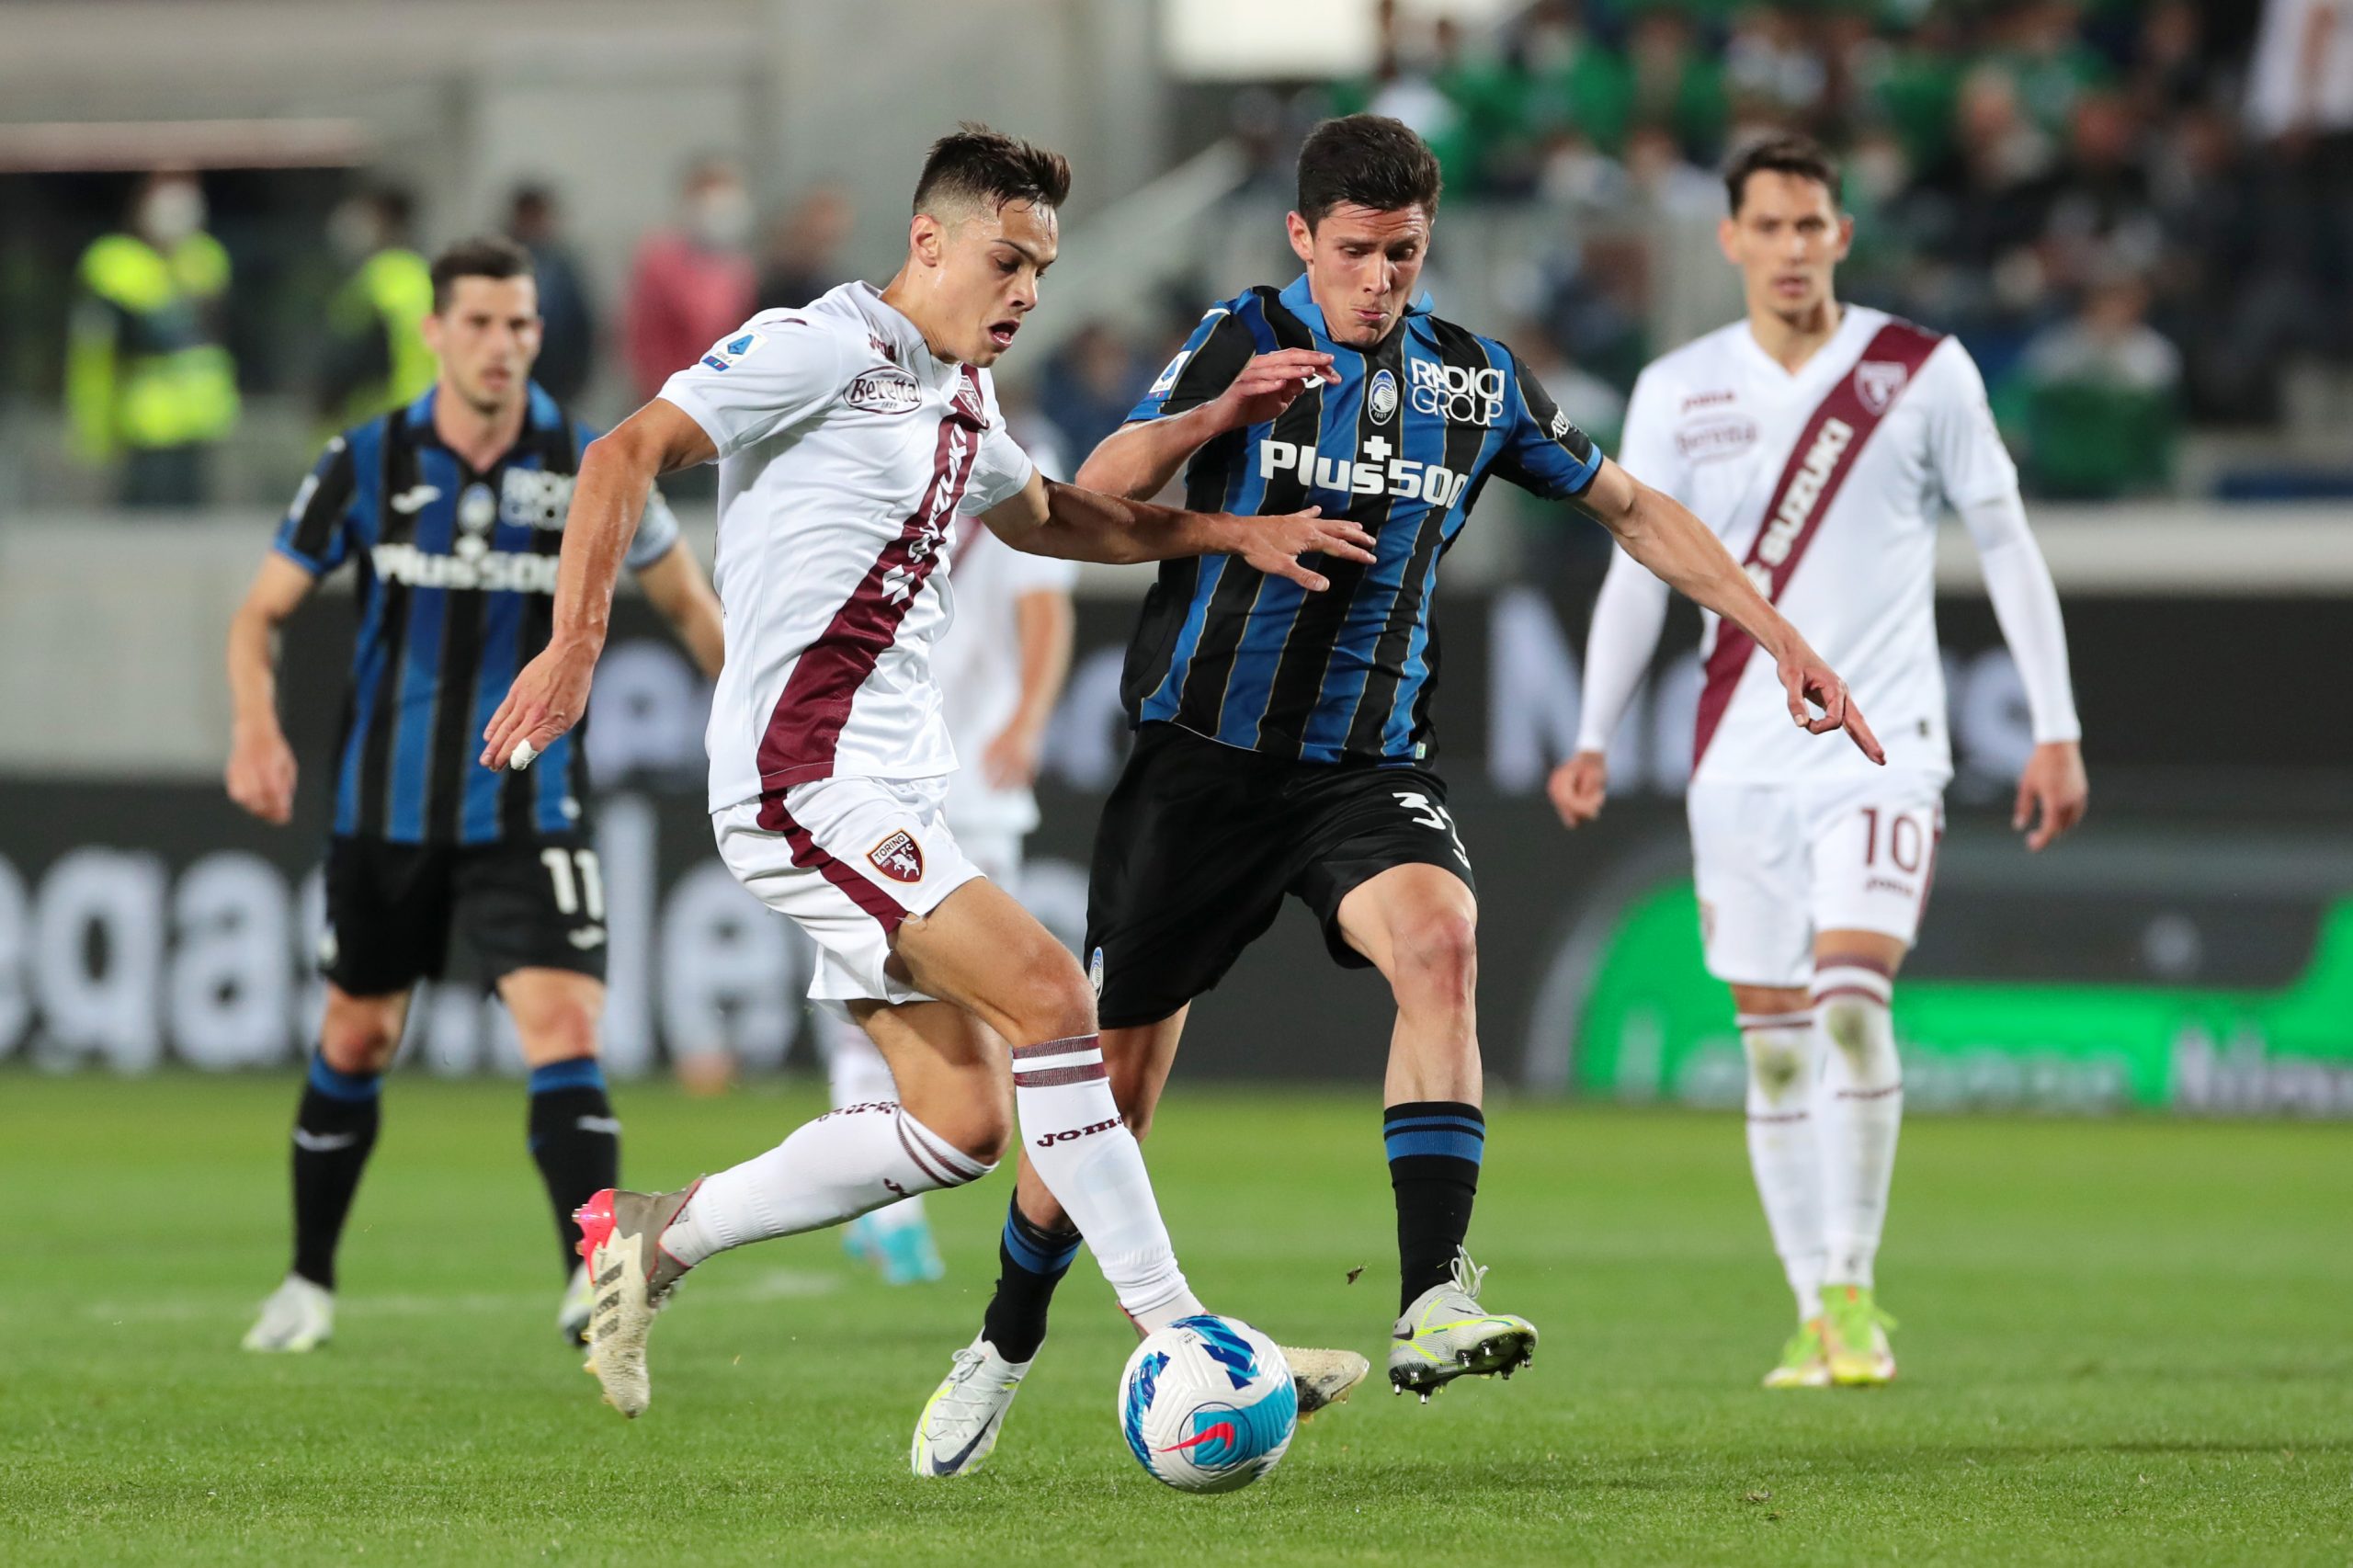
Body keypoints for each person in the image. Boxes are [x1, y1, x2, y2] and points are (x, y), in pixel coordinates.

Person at [931, 112, 1881, 1469]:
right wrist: (1216, 417)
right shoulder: (1239, 335)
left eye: (1406, 254)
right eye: (1358, 252)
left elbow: (1632, 509)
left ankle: (1433, 1294)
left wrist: (1777, 633)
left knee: (1441, 942)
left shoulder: (1474, 382)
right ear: (1301, 238)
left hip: (1366, 766)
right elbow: (1094, 492)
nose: (1380, 280)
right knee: (1114, 1101)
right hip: (1199, 769)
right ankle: (1004, 1341)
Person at [475, 126, 1377, 1455]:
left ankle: (652, 1236)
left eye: (1041, 271)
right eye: (1006, 262)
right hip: (804, 779)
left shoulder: (963, 396)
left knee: (959, 1124)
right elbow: (620, 453)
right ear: (928, 242)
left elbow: (1056, 518)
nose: (1026, 293)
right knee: (1057, 1000)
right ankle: (1186, 1332)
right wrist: (577, 642)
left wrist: (1224, 508)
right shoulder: (815, 345)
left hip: (893, 787)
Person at [1552, 134, 2087, 1390]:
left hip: (1880, 746)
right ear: (1730, 238)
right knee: (1777, 1044)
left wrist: (2056, 724)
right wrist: (1591, 728)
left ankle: (1853, 1282)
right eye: (1770, 226)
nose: (1791, 248)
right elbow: (1637, 567)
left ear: (1842, 234)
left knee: (1851, 1000)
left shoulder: (1921, 371)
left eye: (1811, 225)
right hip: (1737, 758)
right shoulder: (1680, 387)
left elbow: (2006, 541)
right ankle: (1811, 1306)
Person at [226, 236, 725, 1355]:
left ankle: (591, 1281)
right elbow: (259, 612)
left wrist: (765, 729)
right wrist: (255, 725)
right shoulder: (366, 459)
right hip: (385, 809)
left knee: (564, 1024)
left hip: (528, 806)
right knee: (358, 1035)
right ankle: (307, 1280)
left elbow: (691, 606)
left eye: (522, 324)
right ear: (436, 332)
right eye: (482, 324)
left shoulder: (589, 460)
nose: (503, 344)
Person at [824, 429, 1079, 1287]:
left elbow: (1044, 606)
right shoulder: (873, 433)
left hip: (974, 779)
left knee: (993, 1007)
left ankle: (884, 1195)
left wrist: (1028, 718)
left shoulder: (1018, 453)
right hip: (873, 776)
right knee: (877, 987)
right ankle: (887, 1213)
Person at [66, 168, 239, 506]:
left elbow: (217, 334)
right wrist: (93, 428)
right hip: (143, 420)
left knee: (192, 517)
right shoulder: (112, 264)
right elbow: (101, 348)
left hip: (202, 418)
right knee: (147, 517)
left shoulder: (206, 258)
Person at [622, 156, 757, 403]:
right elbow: (643, 340)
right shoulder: (660, 258)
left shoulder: (739, 267)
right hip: (668, 395)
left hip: (724, 396)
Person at [317, 186, 437, 432]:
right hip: (424, 415)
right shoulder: (423, 275)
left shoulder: (377, 279)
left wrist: (327, 400)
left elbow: (351, 354)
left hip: (377, 418)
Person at [505, 184, 597, 406]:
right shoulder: (499, 263)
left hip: (557, 379)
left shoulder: (561, 266)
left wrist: (577, 376)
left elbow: (580, 322)